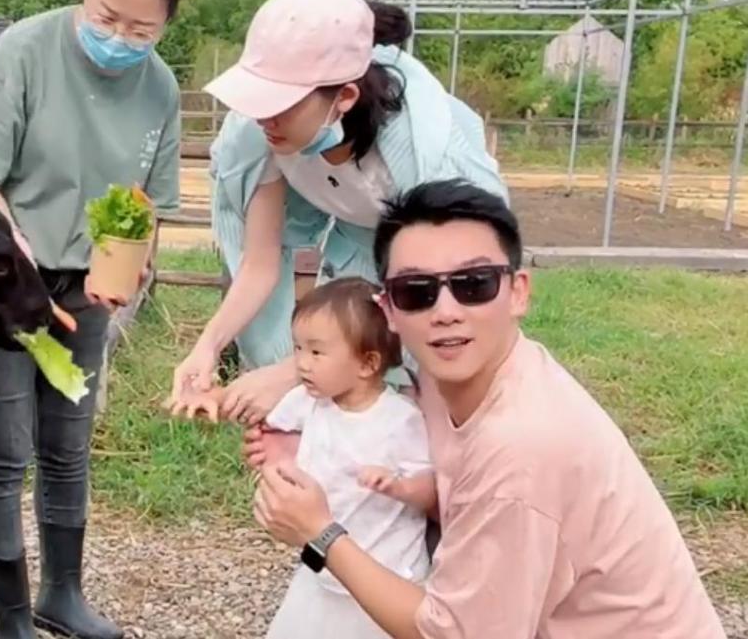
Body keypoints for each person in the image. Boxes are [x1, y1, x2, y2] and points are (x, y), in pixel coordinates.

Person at [248, 180, 726, 638]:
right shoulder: (451, 374)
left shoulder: (522, 445)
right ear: (389, 309)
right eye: (417, 291)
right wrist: (312, 439)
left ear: (518, 291)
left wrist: (320, 533)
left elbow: (447, 632)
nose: (446, 310)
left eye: (474, 284)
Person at [0, 0, 188, 637]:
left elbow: (147, 200)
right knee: (3, 452)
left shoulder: (161, 88)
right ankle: (11, 619)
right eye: (108, 17)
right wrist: (14, 250)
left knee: (66, 447)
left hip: (86, 287)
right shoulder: (24, 51)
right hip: (4, 278)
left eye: (141, 31)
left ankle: (63, 594)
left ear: (165, 24)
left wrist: (126, 267)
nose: (120, 39)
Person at [168, 0, 507, 426]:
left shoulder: (422, 155)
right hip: (361, 236)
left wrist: (291, 373)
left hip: (437, 259)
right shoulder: (262, 135)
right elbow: (260, 264)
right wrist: (207, 346)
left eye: (282, 103)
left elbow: (431, 284)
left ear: (344, 98)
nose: (265, 118)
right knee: (346, 388)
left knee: (431, 390)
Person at [248, 277, 435, 639]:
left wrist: (400, 487)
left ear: (367, 363)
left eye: (316, 352)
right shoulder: (309, 401)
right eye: (298, 348)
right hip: (320, 565)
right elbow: (269, 428)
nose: (302, 364)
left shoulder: (400, 419)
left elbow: (432, 490)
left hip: (386, 571)